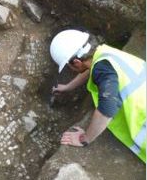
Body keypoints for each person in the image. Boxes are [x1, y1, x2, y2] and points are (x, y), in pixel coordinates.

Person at [50, 29, 146, 163]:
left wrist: (85, 139)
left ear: (77, 62)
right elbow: (91, 69)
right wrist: (68, 87)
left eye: (68, 66)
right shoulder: (104, 53)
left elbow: (106, 110)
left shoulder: (103, 69)